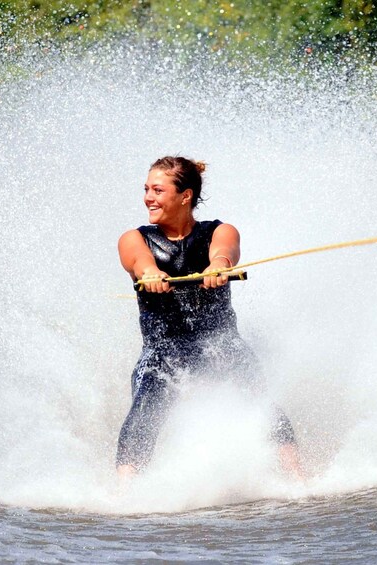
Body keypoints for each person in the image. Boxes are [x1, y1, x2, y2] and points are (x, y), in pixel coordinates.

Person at [116, 156, 303, 480]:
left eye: (158, 190)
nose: (148, 197)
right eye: (146, 189)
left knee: (257, 396)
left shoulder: (220, 231)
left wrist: (218, 267)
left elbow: (224, 251)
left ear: (184, 195)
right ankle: (124, 493)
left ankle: (298, 477)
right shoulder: (135, 238)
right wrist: (150, 274)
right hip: (164, 348)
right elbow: (140, 262)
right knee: (146, 404)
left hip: (219, 343)